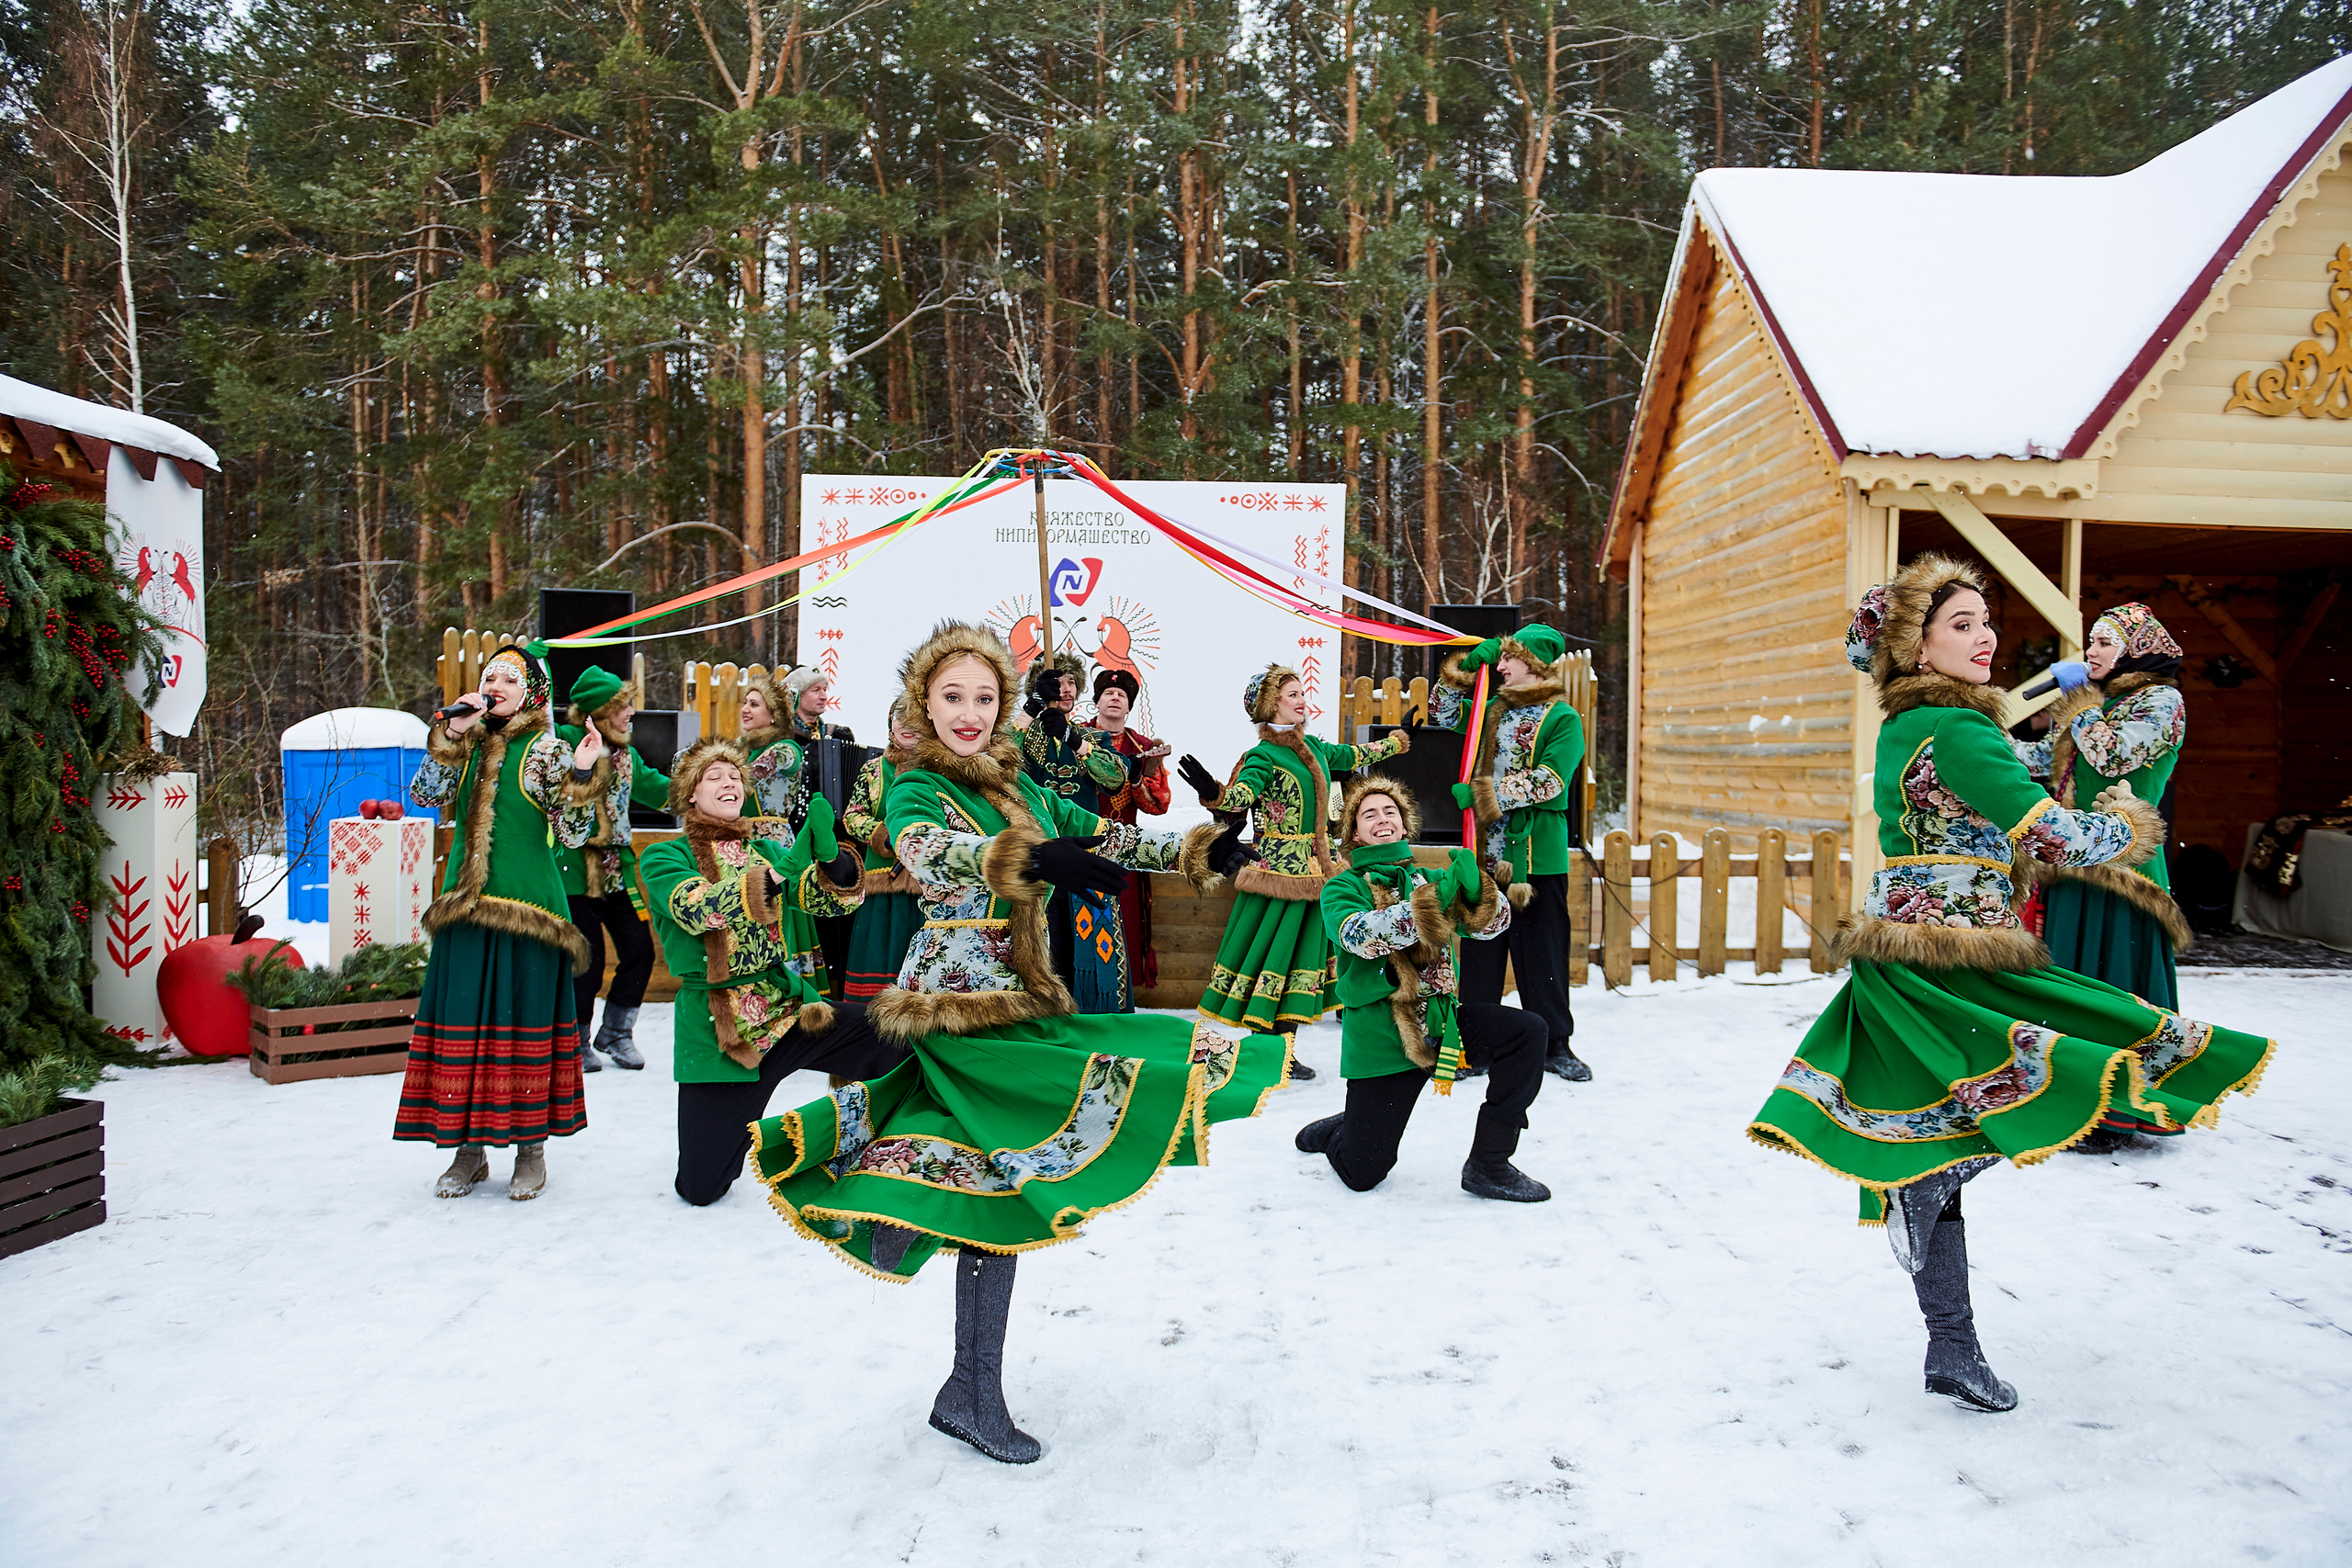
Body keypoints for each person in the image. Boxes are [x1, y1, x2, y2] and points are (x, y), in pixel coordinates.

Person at [1749, 556, 2275, 1413]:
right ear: (1917, 644)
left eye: (1986, 620)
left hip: (1915, 952)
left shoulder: (1907, 723)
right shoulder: (1959, 731)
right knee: (2079, 1057)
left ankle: (1949, 1338)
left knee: (1940, 1136)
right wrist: (2130, 823)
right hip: (1955, 963)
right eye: (1961, 623)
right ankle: (1937, 1274)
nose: (1985, 636)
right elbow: (2054, 835)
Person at [745, 621, 1276, 1465]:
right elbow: (934, 854)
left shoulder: (1019, 784)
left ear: (1002, 707)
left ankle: (946, 1328)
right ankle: (965, 1375)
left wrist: (1201, 848)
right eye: (952, 696)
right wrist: (1028, 859)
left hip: (1020, 1009)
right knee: (1005, 1194)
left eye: (983, 697)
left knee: (996, 1180)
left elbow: (1109, 837)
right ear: (926, 702)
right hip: (957, 1010)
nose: (967, 711)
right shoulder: (916, 786)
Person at [639, 739, 908, 1207]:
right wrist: (781, 871)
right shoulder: (666, 857)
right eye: (713, 776)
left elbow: (832, 901)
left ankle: (881, 1147)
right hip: (720, 1030)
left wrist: (834, 859)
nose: (728, 782)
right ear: (690, 795)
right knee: (702, 1187)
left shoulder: (763, 847)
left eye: (734, 775)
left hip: (787, 1009)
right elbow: (697, 910)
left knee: (896, 1039)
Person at [395, 643, 605, 1201]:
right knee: (467, 1027)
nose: (496, 686)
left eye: (509, 679)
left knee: (523, 1030)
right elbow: (422, 795)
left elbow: (577, 834)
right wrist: (450, 734)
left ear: (530, 692)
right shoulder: (463, 744)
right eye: (489, 676)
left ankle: (531, 1150)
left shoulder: (548, 750)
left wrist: (583, 770)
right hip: (464, 910)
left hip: (529, 914)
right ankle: (468, 1152)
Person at [1295, 775, 1553, 1201]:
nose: (1382, 819)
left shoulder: (1429, 876)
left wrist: (1479, 894)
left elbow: (1494, 927)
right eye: (1369, 814)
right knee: (1364, 1173)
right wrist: (1435, 902)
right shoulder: (1344, 887)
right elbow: (1361, 935)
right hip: (1383, 1039)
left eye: (1390, 811)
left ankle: (1490, 1163)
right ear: (1354, 832)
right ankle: (1346, 1128)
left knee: (1529, 1031)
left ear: (1404, 823)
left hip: (1442, 1025)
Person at [1178, 663, 1409, 1079]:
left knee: (1302, 969)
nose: (1302, 700)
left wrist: (1396, 740)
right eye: (1292, 694)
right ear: (1271, 705)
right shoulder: (1263, 756)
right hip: (1280, 879)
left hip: (1321, 873)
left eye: (1302, 692)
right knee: (1276, 964)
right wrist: (1213, 792)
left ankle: (1284, 1052)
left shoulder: (1316, 748)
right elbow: (1239, 797)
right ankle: (1269, 1054)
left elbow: (1358, 754)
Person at [1433, 624, 1590, 1082]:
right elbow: (1442, 715)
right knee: (1481, 951)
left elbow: (1551, 781)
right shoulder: (1490, 712)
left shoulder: (1564, 719)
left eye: (1508, 658)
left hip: (1536, 858)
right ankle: (1476, 1045)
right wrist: (1466, 666)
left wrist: (1483, 794)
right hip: (1485, 855)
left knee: (1541, 953)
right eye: (1498, 659)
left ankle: (1555, 1045)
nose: (1499, 666)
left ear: (1533, 663)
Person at [2016, 604, 2193, 1004]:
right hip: (2072, 852)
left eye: (2103, 642)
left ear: (2136, 649)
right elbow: (2041, 758)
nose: (2089, 652)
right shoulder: (2098, 706)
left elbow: (2110, 756)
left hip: (2125, 857)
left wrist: (2079, 699)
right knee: (2067, 969)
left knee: (2114, 968)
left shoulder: (2163, 700)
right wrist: (1975, 732)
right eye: (2090, 643)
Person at [553, 666, 670, 1072]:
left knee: (639, 951)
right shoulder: (566, 744)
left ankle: (616, 1033)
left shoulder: (627, 755)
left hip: (618, 873)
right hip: (574, 873)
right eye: (623, 706)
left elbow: (660, 791)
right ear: (600, 712)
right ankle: (575, 1041)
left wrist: (712, 786)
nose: (631, 713)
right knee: (586, 961)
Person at [1021, 653, 1135, 1011]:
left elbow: (1116, 778)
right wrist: (1030, 711)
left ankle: (1097, 1025)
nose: (1065, 688)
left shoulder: (1092, 736)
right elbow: (993, 756)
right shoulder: (1024, 737)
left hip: (1085, 852)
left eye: (1071, 682)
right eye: (1056, 682)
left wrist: (1075, 740)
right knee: (1045, 947)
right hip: (1039, 856)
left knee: (1090, 949)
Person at [737, 669, 831, 995]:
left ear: (775, 714)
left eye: (755, 704)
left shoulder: (786, 748)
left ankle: (786, 990)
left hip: (773, 846)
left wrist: (706, 768)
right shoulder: (742, 748)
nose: (745, 709)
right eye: (745, 702)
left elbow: (745, 778)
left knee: (777, 918)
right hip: (744, 843)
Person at [1091, 668, 1173, 992]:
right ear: (1097, 702)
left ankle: (1120, 994)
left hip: (1124, 850)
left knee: (1121, 921)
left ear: (1129, 707)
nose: (1114, 698)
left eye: (1122, 695)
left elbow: (1160, 804)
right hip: (1081, 844)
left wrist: (1137, 778)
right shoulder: (1077, 737)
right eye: (1108, 694)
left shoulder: (1143, 747)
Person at [840, 698, 927, 1000]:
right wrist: (881, 834)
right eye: (899, 718)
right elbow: (852, 816)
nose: (905, 725)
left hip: (925, 885)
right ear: (890, 724)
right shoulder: (873, 770)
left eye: (914, 718)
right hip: (880, 881)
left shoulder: (940, 771)